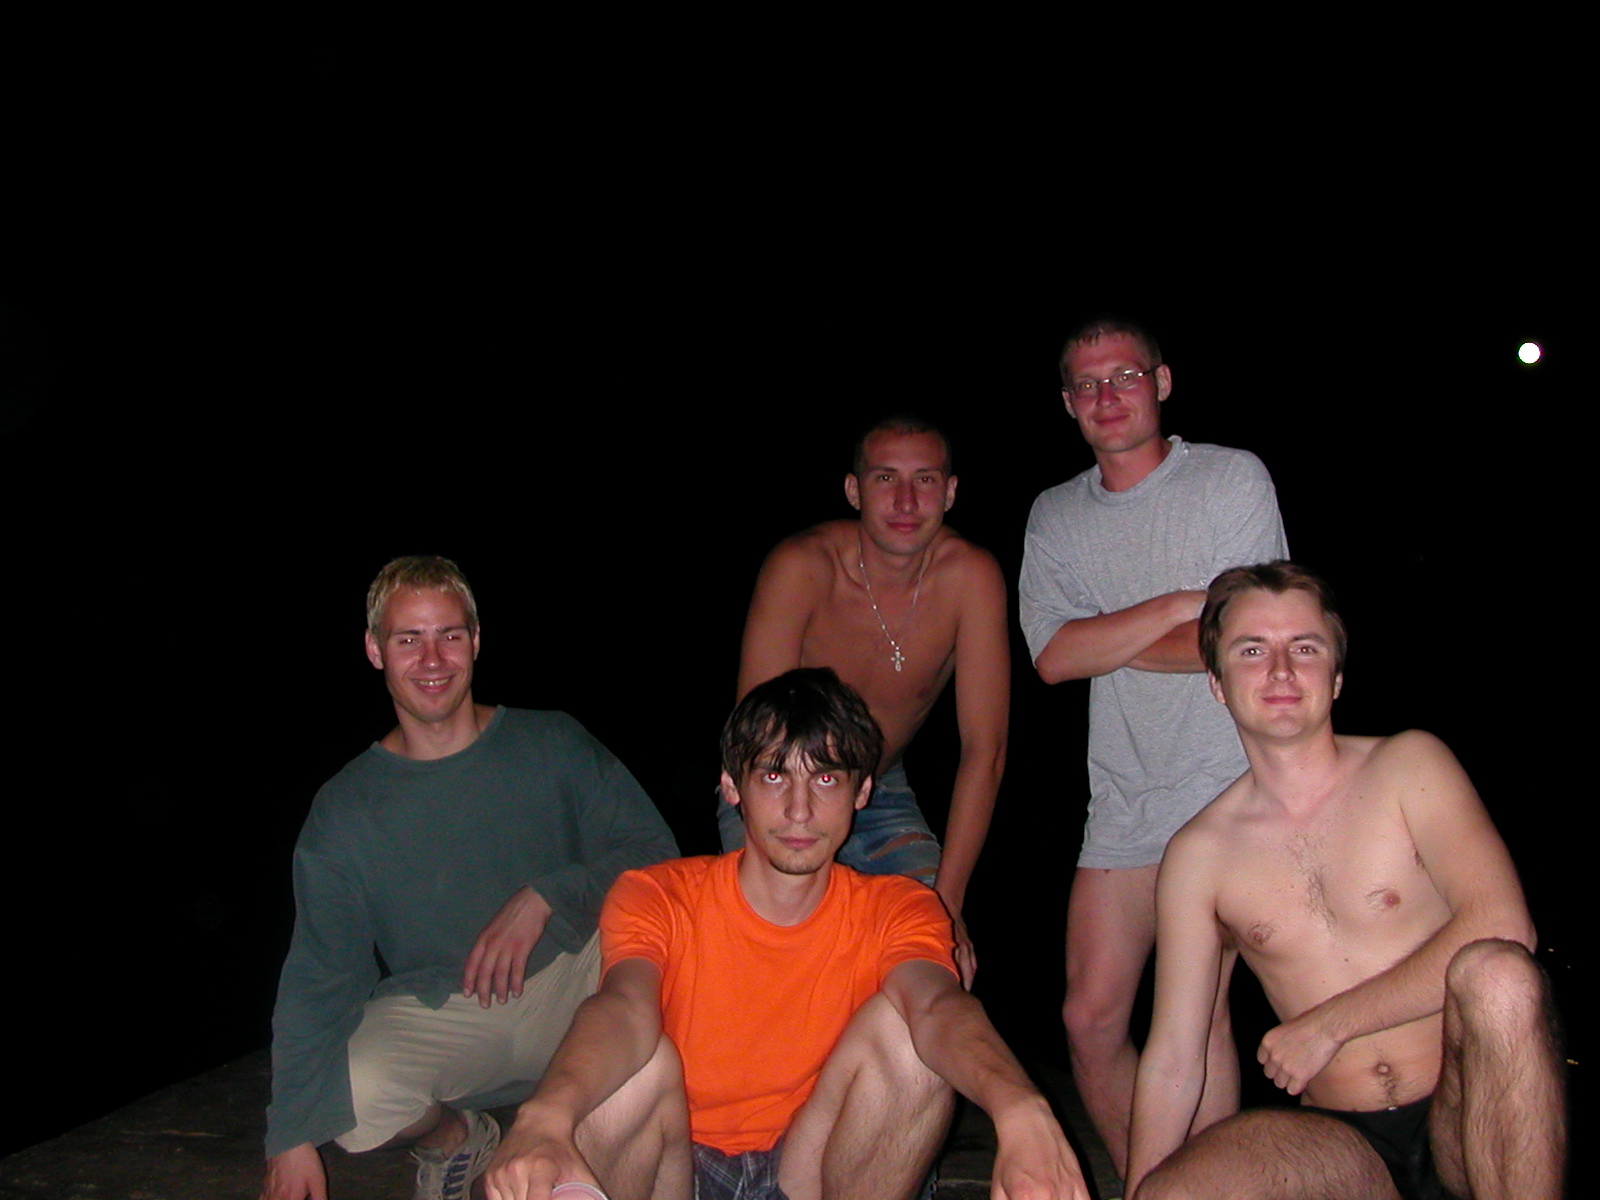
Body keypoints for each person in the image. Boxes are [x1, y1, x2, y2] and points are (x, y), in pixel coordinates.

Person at [483, 668, 1089, 1200]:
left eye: (825, 780)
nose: (799, 810)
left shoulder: (899, 906)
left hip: (813, 1162)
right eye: (774, 776)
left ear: (862, 791)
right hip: (677, 1163)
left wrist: (1021, 1107)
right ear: (731, 787)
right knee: (634, 1065)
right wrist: (543, 1118)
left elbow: (936, 1005)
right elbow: (623, 1007)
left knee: (907, 1036)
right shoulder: (659, 894)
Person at [1126, 562, 1566, 1199]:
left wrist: (1327, 1026)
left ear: (1336, 677)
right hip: (1341, 1146)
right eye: (1252, 650)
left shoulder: (1409, 765)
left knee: (1499, 975)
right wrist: (1141, 1187)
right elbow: (1176, 1052)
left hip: (1469, 1113)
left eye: (1305, 648)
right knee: (1174, 1194)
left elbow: (1504, 925)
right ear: (1217, 683)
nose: (1281, 670)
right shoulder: (1198, 856)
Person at [262, 556, 679, 1200]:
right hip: (450, 1011)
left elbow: (656, 854)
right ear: (374, 650)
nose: (432, 659)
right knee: (352, 1097)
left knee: (669, 969)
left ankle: (591, 1121)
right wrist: (289, 1137)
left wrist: (547, 896)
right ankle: (457, 1136)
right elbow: (319, 973)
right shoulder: (344, 808)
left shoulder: (552, 741)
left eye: (449, 635)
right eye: (408, 639)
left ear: (477, 640)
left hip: (574, 981)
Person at [1018, 316, 1288, 1173]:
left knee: (1196, 1015)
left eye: (1125, 377)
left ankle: (1192, 1191)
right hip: (1123, 796)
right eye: (1088, 385)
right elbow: (1051, 659)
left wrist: (1106, 635)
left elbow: (1245, 637)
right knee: (1088, 1019)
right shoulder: (1056, 515)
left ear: (1162, 383)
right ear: (1067, 403)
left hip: (1229, 786)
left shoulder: (1230, 478)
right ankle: (1157, 1182)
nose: (1108, 396)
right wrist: (1179, 604)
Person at [726, 415, 1009, 984]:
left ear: (950, 492)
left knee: (931, 955)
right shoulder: (803, 566)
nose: (906, 501)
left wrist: (948, 902)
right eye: (885, 479)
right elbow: (756, 736)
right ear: (854, 490)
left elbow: (986, 749)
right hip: (778, 782)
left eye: (925, 479)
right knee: (781, 959)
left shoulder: (971, 578)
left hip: (881, 784)